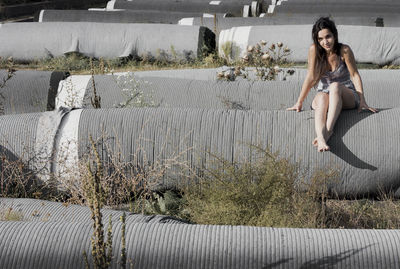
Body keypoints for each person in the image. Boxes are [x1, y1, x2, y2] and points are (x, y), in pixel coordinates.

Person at [287, 17, 377, 152]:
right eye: (320, 39)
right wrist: (299, 102)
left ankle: (328, 132)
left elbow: (354, 75)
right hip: (325, 95)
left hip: (346, 94)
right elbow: (310, 76)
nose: (325, 42)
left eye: (328, 37)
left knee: (334, 86)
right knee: (322, 96)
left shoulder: (344, 50)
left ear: (334, 35)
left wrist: (362, 99)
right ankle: (321, 138)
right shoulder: (314, 50)